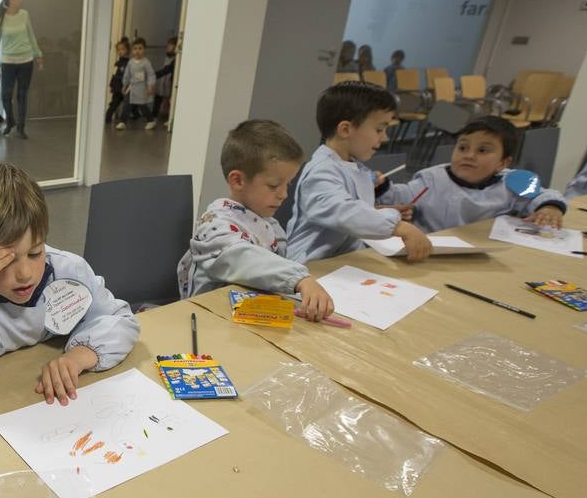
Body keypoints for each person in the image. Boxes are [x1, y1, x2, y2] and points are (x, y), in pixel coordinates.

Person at [0, 162, 139, 404]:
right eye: (4, 260)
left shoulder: (66, 270)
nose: (26, 274)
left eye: (35, 252)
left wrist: (79, 357)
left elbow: (121, 321)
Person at [177, 120, 335, 319]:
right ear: (238, 181)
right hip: (208, 318)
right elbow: (240, 257)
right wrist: (299, 278)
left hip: (249, 315)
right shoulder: (215, 224)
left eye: (288, 184)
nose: (284, 194)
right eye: (274, 185)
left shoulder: (269, 222)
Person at [286, 81, 433, 263]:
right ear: (346, 129)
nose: (385, 137)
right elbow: (343, 212)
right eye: (379, 129)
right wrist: (397, 225)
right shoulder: (321, 171)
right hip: (310, 267)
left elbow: (353, 207)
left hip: (343, 261)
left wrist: (383, 211)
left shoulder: (353, 165)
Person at [378, 116, 566, 233]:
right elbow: (400, 196)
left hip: (481, 251)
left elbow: (543, 194)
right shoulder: (432, 178)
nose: (469, 155)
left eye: (483, 150)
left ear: (503, 162)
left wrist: (549, 207)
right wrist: (382, 185)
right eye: (462, 147)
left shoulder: (513, 180)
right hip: (429, 247)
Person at [0, 0, 42, 139]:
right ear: (11, 0)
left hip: (26, 61)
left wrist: (38, 54)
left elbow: (31, 35)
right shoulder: (1, 18)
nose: (21, 0)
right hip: (8, 62)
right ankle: (10, 121)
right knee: (5, 95)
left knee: (22, 95)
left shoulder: (25, 15)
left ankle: (21, 128)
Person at [113, 38, 155, 130]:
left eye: (140, 48)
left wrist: (150, 85)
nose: (137, 51)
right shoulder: (130, 62)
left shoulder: (146, 63)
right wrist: (124, 85)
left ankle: (150, 120)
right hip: (132, 88)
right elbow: (127, 75)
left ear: (144, 50)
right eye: (135, 49)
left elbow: (151, 75)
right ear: (132, 50)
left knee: (142, 105)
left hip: (142, 88)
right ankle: (122, 122)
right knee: (126, 104)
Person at [151, 37, 178, 126]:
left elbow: (167, 70)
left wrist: (154, 75)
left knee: (171, 100)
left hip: (170, 82)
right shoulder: (167, 56)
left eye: (170, 45)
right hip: (163, 81)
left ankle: (171, 118)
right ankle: (153, 116)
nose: (167, 46)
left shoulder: (176, 58)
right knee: (158, 98)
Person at [104, 38, 129, 125]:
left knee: (129, 103)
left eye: (122, 49)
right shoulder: (117, 63)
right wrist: (112, 85)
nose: (120, 51)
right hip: (118, 87)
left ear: (127, 50)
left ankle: (130, 118)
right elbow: (114, 75)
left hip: (126, 87)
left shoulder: (130, 62)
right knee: (114, 103)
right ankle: (107, 117)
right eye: (118, 50)